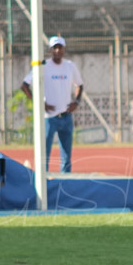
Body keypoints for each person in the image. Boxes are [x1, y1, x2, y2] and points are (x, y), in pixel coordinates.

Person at [20, 35, 84, 173]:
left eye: (60, 47)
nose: (57, 50)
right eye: (54, 47)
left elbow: (80, 85)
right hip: (49, 118)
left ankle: (65, 183)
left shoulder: (70, 66)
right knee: (44, 154)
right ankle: (44, 182)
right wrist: (39, 104)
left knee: (66, 156)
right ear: (50, 50)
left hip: (66, 116)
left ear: (64, 49)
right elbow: (25, 85)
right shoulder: (43, 66)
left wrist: (76, 102)